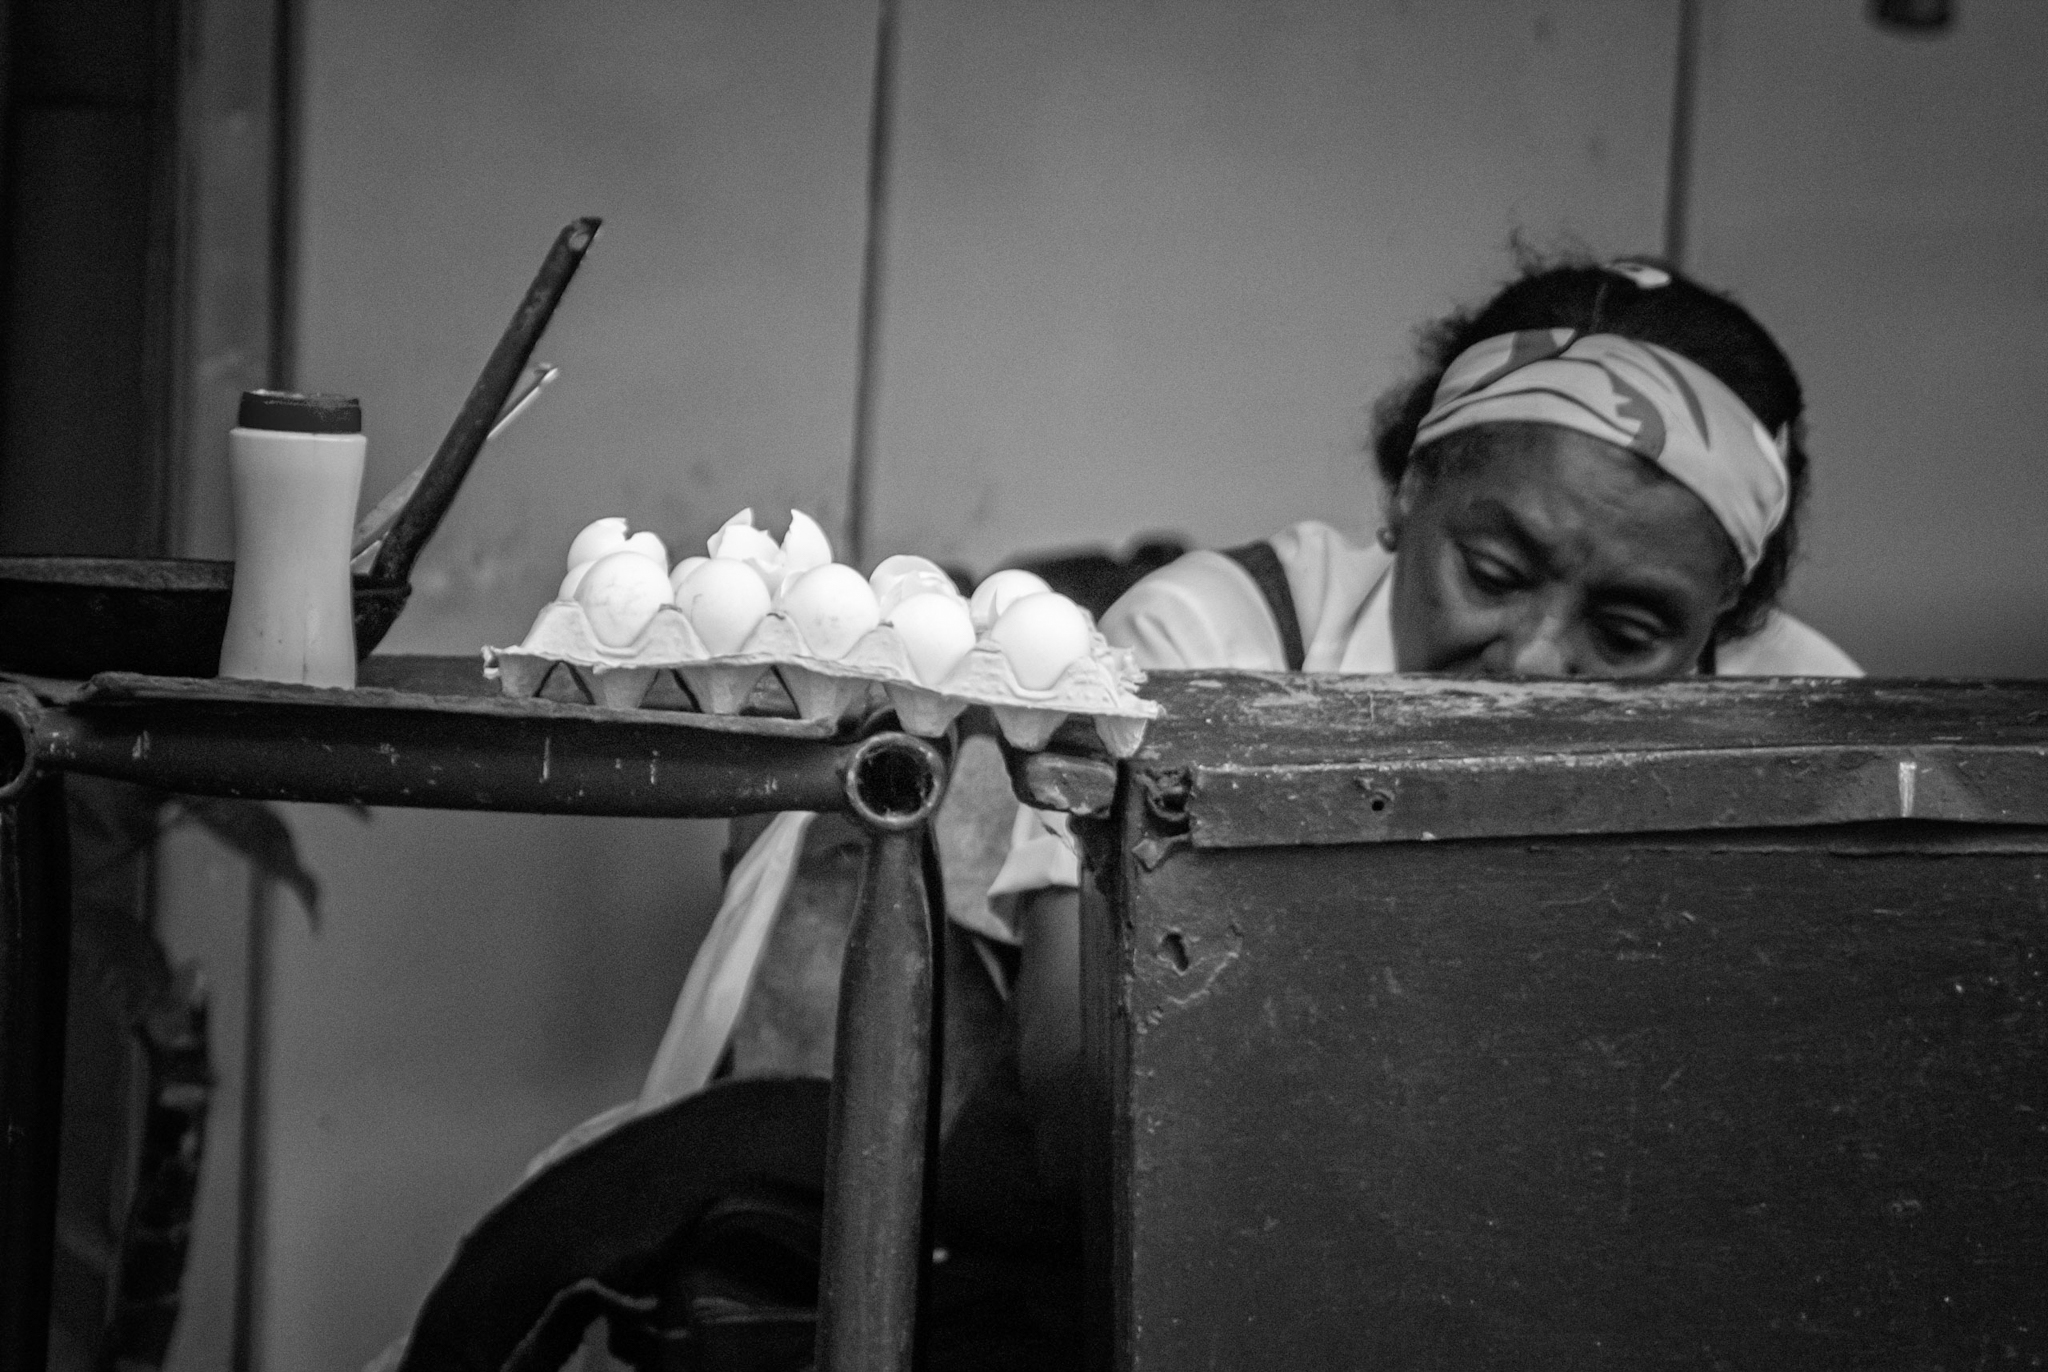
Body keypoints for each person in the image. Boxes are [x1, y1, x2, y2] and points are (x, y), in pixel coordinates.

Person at [988, 253, 1861, 1203]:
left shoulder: (1812, 719)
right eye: (1493, 573)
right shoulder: (1212, 642)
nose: (1533, 659)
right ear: (1408, 494)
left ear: (1721, 624)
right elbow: (1083, 1107)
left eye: (1627, 634)